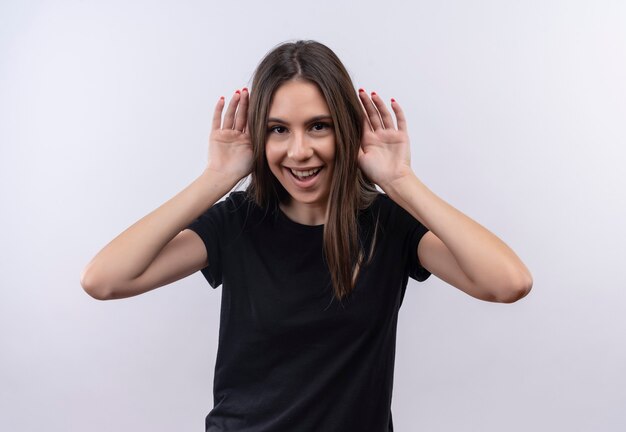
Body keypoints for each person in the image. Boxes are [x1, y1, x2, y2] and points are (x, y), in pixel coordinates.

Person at [80, 40, 532, 432]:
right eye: (278, 130)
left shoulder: (388, 224)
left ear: (346, 128)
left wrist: (400, 181)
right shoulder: (237, 223)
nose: (299, 151)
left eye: (319, 126)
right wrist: (216, 178)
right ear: (260, 136)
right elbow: (104, 280)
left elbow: (507, 283)